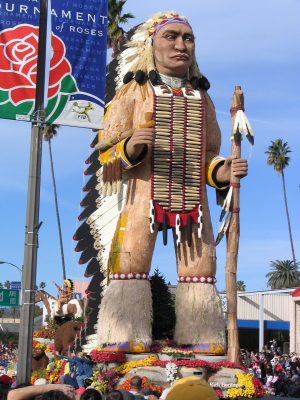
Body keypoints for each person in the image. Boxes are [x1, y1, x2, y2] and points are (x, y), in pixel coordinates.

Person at [96, 11, 248, 353]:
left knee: (201, 266)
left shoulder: (201, 98)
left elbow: (210, 154)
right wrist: (131, 146)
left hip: (193, 200)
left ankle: (200, 333)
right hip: (141, 195)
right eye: (172, 37)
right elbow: (105, 153)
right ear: (153, 44)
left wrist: (222, 172)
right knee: (131, 261)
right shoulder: (133, 92)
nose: (181, 45)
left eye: (188, 38)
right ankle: (124, 332)